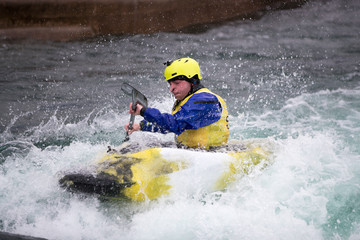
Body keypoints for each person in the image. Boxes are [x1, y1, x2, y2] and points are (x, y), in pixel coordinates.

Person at [124, 57, 229, 150]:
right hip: (192, 151)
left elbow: (175, 124)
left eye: (177, 83)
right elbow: (168, 125)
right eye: (170, 84)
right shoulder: (187, 100)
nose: (171, 89)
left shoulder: (204, 100)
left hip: (212, 153)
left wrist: (143, 111)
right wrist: (140, 126)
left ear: (192, 81)